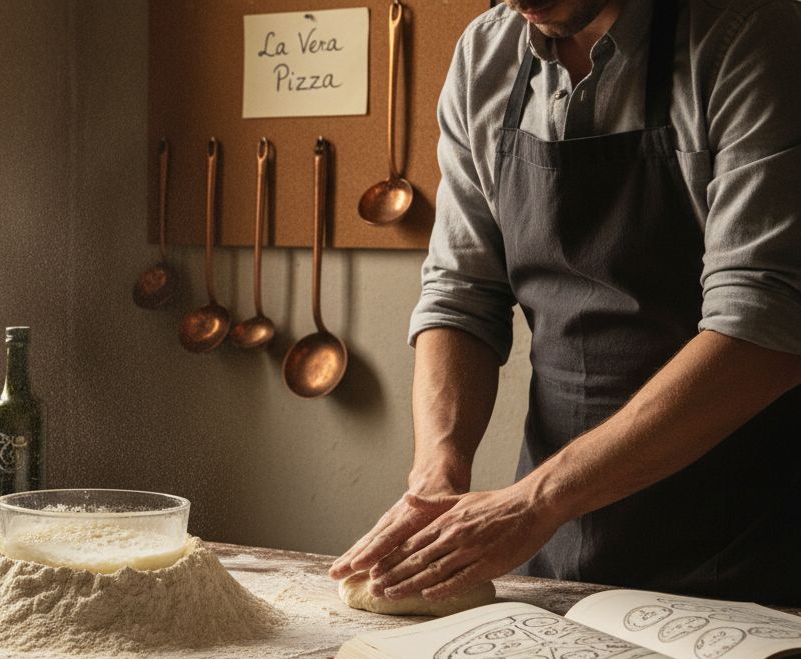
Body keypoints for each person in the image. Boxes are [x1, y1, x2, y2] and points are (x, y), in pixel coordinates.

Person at [329, 0, 801, 605]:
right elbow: (461, 293)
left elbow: (763, 324)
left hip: (744, 545)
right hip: (557, 543)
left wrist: (537, 499)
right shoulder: (486, 53)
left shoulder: (748, 33)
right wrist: (436, 478)